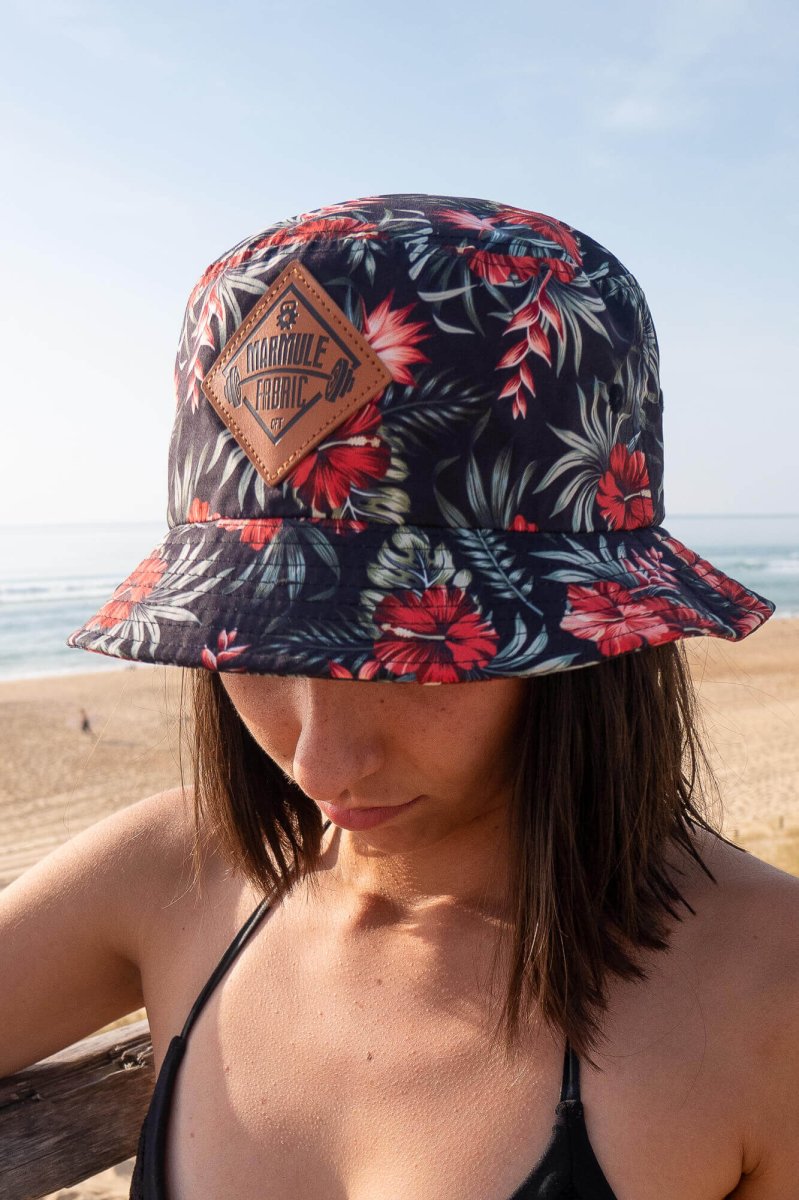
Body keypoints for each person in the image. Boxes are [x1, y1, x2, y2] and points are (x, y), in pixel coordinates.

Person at [1, 193, 797, 1199]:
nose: (318, 763)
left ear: (594, 659)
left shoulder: (768, 990)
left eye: (412, 652)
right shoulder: (172, 874)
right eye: (262, 651)